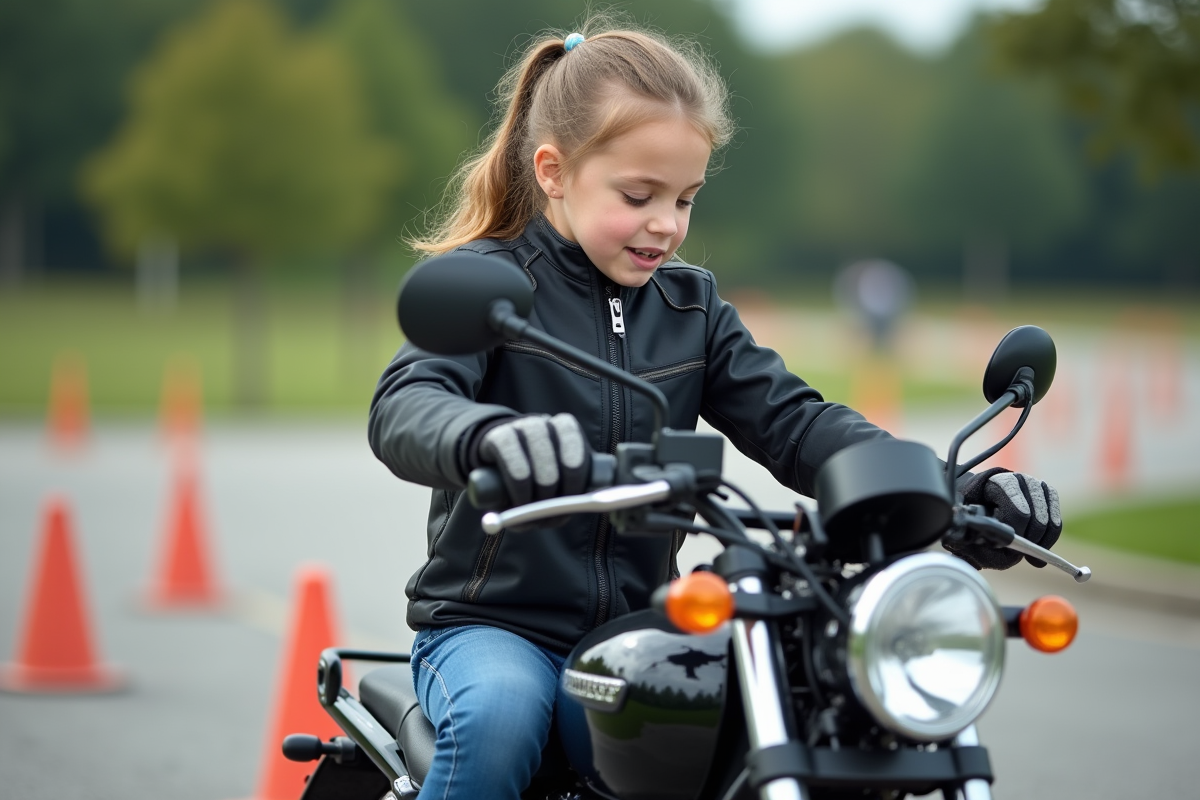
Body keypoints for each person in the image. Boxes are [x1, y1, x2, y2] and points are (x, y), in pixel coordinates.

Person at [368, 21, 1062, 800]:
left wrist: (946, 486)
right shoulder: (493, 285)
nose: (666, 221)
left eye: (685, 198)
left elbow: (794, 421)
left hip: (640, 629)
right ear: (555, 172)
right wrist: (484, 436)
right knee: (498, 720)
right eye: (639, 196)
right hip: (492, 629)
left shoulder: (691, 307)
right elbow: (407, 403)